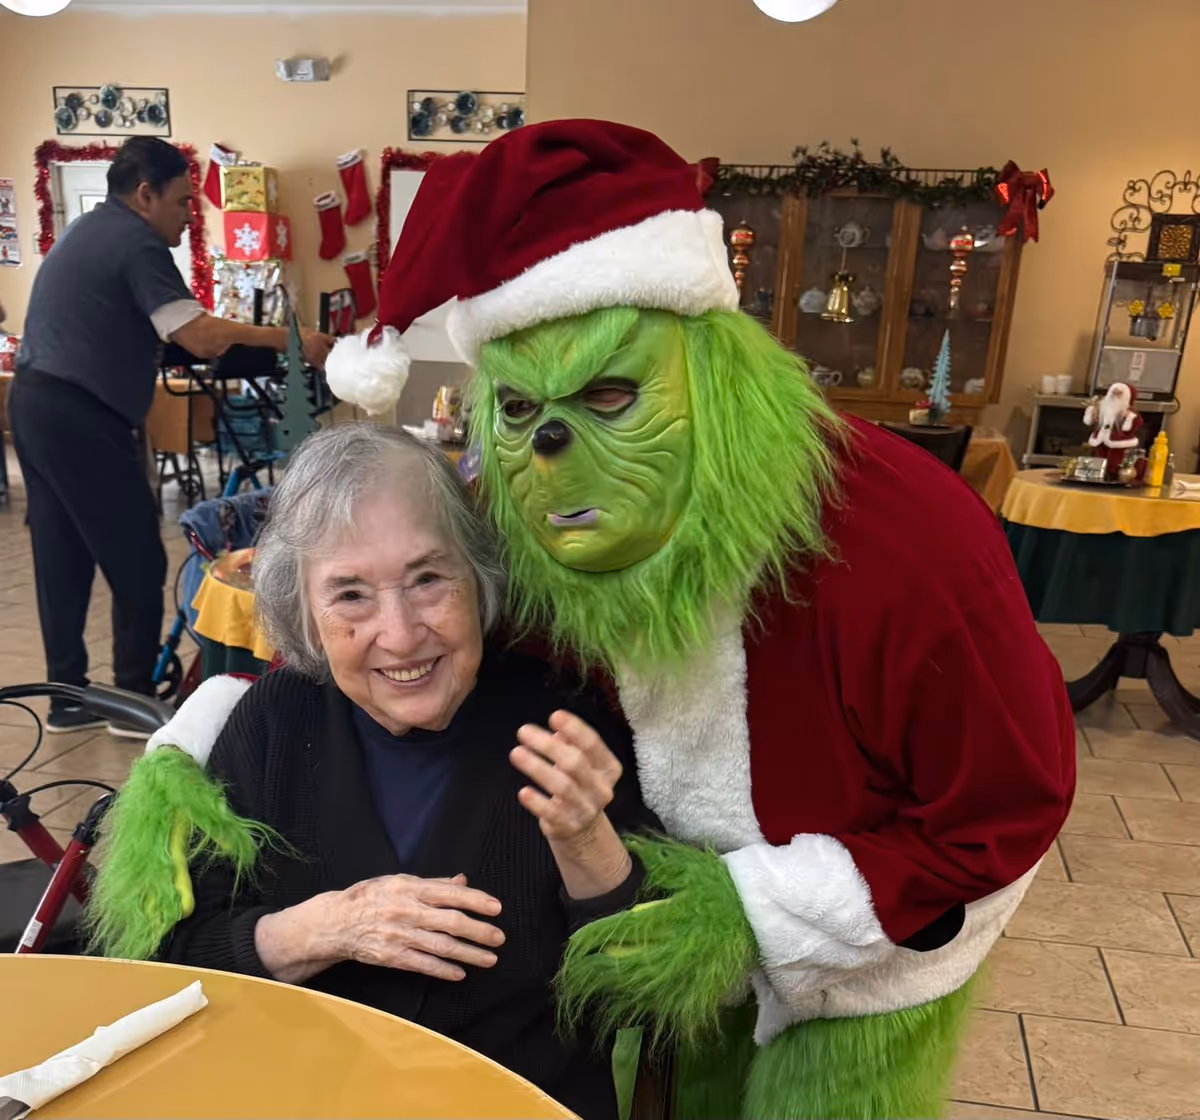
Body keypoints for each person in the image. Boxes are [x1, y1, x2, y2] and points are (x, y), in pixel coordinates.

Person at [317, 119, 1077, 1119]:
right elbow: (415, 654)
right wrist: (206, 742)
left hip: (875, 940)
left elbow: (1005, 804)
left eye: (613, 394)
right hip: (657, 902)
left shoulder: (905, 540)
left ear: (714, 375)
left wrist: (754, 909)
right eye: (521, 413)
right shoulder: (522, 523)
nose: (552, 452)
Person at [89, 423, 656, 1120]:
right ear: (305, 613)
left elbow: (646, 1004)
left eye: (427, 578)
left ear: (478, 578)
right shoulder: (274, 720)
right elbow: (172, 959)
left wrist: (585, 845)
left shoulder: (565, 720)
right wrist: (327, 928)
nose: (400, 632)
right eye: (351, 594)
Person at [9, 136, 332, 736]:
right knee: (137, 556)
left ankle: (67, 698)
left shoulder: (88, 231)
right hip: (83, 416)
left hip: (34, 403)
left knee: (63, 557)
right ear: (144, 194)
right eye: (184, 201)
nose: (191, 215)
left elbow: (145, 331)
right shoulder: (135, 240)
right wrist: (294, 339)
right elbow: (202, 338)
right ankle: (133, 699)